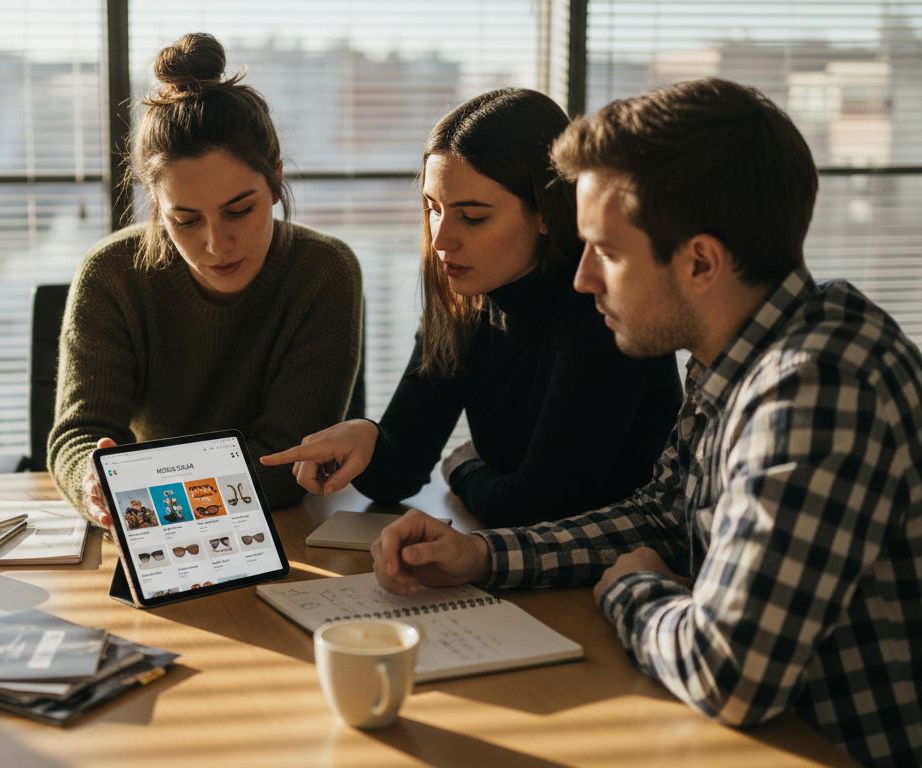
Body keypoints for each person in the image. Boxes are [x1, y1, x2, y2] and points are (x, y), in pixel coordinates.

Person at [371, 78, 922, 766]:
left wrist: (634, 590)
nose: (582, 279)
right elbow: (662, 516)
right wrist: (482, 557)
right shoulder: (738, 355)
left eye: (606, 250)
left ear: (699, 262)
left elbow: (730, 673)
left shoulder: (817, 389)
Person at [261, 89, 681, 527]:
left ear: (546, 210)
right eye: (433, 209)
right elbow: (397, 474)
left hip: (606, 568)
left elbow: (540, 506)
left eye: (473, 217)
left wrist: (461, 466)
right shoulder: (466, 302)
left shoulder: (604, 312)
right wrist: (366, 437)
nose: (441, 240)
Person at [48, 32, 363, 527]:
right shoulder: (111, 274)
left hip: (276, 529)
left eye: (240, 210)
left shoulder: (324, 272)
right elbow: (79, 435)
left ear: (276, 181)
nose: (217, 244)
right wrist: (92, 479)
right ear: (156, 206)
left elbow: (286, 462)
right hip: (148, 529)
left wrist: (144, 490)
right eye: (186, 220)